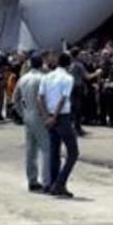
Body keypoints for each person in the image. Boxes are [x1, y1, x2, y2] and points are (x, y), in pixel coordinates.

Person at [40, 52, 79, 198]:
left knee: (54, 151)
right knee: (73, 153)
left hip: (49, 115)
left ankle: (52, 184)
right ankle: (59, 183)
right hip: (62, 116)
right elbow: (63, 99)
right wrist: (55, 116)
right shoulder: (68, 78)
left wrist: (46, 117)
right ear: (69, 64)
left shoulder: (47, 76)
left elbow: (40, 97)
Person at [13, 54, 49, 191]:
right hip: (40, 114)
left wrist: (22, 113)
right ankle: (47, 181)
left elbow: (15, 98)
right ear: (41, 64)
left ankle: (32, 180)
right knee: (46, 148)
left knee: (30, 150)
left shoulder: (23, 78)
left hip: (28, 113)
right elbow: (45, 98)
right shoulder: (43, 78)